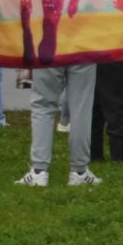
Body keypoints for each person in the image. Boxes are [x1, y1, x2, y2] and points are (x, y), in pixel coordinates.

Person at [20, 59, 100, 187]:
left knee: (43, 105)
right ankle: (79, 171)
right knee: (81, 107)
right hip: (83, 46)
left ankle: (39, 171)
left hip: (47, 46)